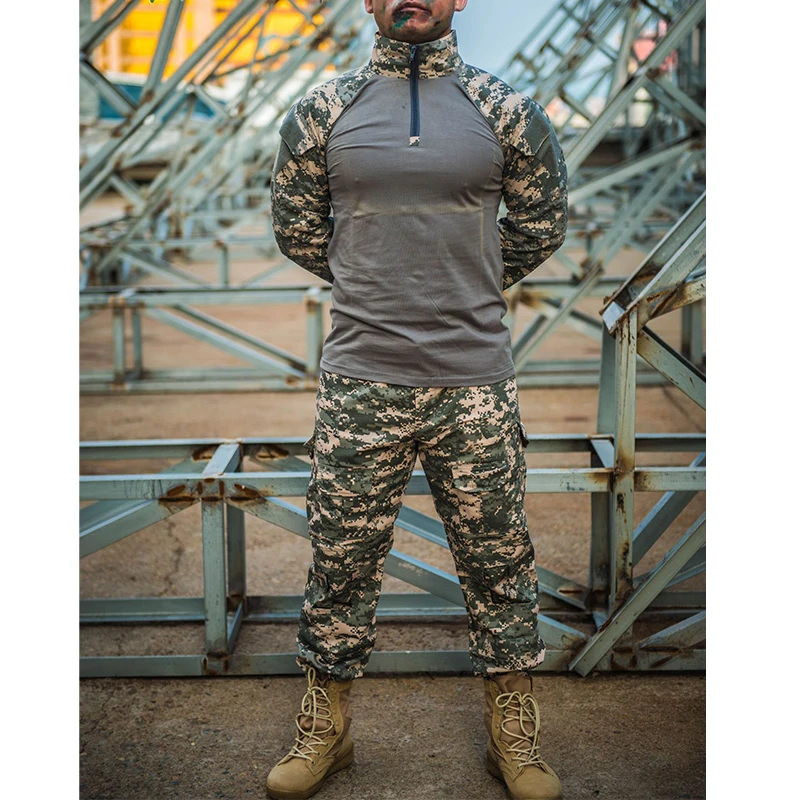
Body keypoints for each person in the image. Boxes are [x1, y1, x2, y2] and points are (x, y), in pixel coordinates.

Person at [267, 1, 568, 798]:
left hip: (473, 381)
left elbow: (542, 223)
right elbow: (297, 228)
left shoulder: (505, 110)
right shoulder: (322, 112)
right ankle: (327, 728)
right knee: (341, 559)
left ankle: (513, 732)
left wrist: (465, 280)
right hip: (362, 377)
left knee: (498, 559)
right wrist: (376, 280)